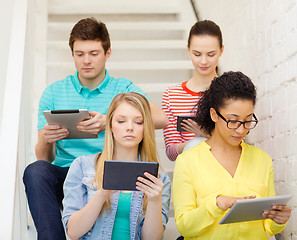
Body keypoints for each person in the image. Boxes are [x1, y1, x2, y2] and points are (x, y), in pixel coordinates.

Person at [23, 17, 168, 240]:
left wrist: (108, 120)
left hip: (105, 170)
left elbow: (161, 118)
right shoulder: (53, 92)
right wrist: (47, 139)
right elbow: (44, 158)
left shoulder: (122, 88)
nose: (86, 61)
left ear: (107, 52)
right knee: (35, 170)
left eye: (93, 53)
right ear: (72, 54)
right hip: (68, 172)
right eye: (79, 54)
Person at [172, 71, 291, 239]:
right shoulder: (188, 161)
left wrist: (279, 220)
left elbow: (268, 227)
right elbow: (184, 227)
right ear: (214, 115)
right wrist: (216, 205)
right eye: (233, 121)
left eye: (248, 120)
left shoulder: (262, 160)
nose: (241, 129)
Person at [62, 92, 171, 240]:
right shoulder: (83, 166)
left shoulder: (160, 179)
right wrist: (101, 195)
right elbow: (73, 232)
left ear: (146, 128)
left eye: (138, 122)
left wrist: (154, 201)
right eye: (121, 121)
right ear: (110, 126)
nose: (130, 128)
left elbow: (151, 239)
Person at [162, 20, 224, 161]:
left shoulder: (230, 92)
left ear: (221, 51)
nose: (203, 61)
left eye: (211, 54)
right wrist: (196, 141)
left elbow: (239, 143)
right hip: (190, 171)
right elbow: (171, 152)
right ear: (188, 50)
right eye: (197, 54)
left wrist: (206, 134)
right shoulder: (172, 95)